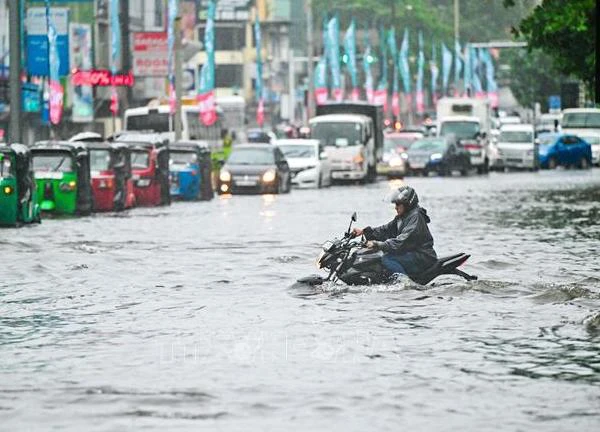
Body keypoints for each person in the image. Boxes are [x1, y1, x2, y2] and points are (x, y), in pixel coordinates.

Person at [351, 185, 437, 277]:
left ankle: (404, 284)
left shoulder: (415, 217)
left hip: (422, 256)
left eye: (398, 204)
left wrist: (377, 244)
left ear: (408, 203)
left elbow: (402, 240)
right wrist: (364, 231)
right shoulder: (402, 217)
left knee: (387, 259)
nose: (395, 207)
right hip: (411, 252)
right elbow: (385, 230)